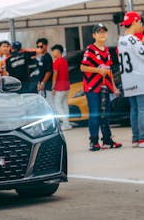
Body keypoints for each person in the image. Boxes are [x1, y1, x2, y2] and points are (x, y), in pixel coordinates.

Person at [80, 23, 122, 151]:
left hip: (105, 88)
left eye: (104, 32)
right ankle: (93, 141)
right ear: (94, 35)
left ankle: (107, 140)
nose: (102, 34)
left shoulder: (107, 51)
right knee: (95, 114)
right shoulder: (90, 49)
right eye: (99, 32)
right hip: (93, 88)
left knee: (106, 114)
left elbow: (108, 71)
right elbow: (83, 67)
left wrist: (114, 87)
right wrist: (98, 71)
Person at [117, 11, 144, 148]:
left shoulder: (121, 40)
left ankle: (135, 138)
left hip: (127, 80)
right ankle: (142, 139)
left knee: (134, 109)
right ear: (134, 22)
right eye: (139, 22)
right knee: (142, 109)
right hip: (139, 78)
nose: (140, 25)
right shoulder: (134, 40)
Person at [51, 44, 72, 131]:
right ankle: (67, 124)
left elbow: (55, 75)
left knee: (58, 106)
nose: (52, 53)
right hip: (67, 86)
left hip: (60, 87)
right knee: (64, 105)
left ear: (58, 51)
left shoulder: (56, 62)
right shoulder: (64, 61)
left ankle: (66, 123)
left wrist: (53, 87)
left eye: (53, 51)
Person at [35, 38, 54, 105]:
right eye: (38, 47)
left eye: (41, 46)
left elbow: (49, 71)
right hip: (41, 84)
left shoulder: (47, 57)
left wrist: (43, 83)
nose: (39, 48)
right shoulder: (41, 57)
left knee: (49, 103)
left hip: (47, 85)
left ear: (46, 46)